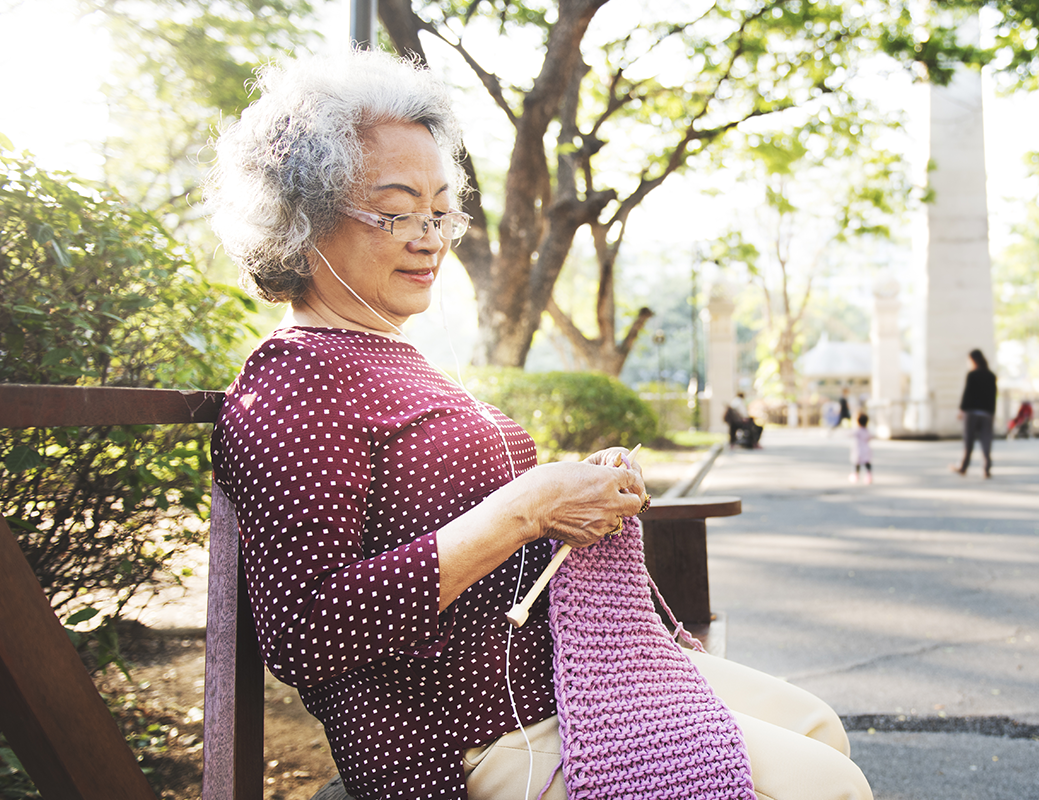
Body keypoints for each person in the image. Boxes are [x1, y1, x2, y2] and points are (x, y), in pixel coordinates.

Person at [205, 50, 870, 800]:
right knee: (824, 785)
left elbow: (471, 512)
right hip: (470, 736)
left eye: (439, 210)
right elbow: (308, 631)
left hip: (564, 679)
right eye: (396, 212)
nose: (429, 238)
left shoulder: (389, 355)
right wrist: (525, 511)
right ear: (304, 218)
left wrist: (576, 489)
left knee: (817, 730)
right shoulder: (294, 382)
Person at [953, 348, 998, 478]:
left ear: (973, 360)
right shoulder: (991, 375)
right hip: (986, 413)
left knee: (968, 441)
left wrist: (962, 409)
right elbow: (993, 396)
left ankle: (963, 466)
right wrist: (992, 413)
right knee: (986, 440)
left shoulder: (972, 375)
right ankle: (986, 468)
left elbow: (967, 393)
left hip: (971, 412)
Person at [849, 412, 873, 484]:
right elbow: (871, 437)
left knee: (857, 463)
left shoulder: (858, 430)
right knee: (867, 463)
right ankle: (868, 475)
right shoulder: (867, 430)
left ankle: (856, 475)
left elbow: (850, 434)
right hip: (866, 449)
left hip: (858, 449)